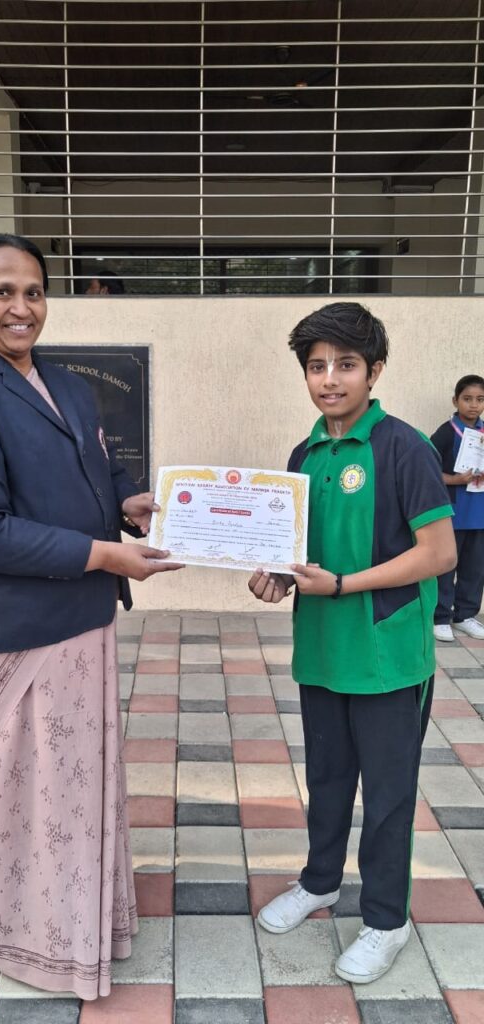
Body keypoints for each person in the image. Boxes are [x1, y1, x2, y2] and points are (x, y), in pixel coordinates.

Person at [0, 233, 182, 1000]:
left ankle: (82, 923)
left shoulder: (67, 385)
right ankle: (23, 935)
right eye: (1, 291)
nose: (21, 307)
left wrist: (126, 502)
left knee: (76, 790)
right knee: (21, 794)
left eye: (33, 291)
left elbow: (98, 471)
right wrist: (105, 555)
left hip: (80, 619)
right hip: (9, 629)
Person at [248, 302, 456, 985]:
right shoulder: (303, 455)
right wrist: (278, 576)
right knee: (328, 780)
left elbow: (439, 553)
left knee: (389, 795)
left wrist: (342, 585)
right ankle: (319, 882)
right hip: (322, 650)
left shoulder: (404, 448)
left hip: (388, 657)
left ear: (375, 371)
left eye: (345, 364)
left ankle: (387, 920)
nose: (329, 379)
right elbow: (301, 552)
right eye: (316, 366)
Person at [430, 374, 484, 641]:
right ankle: (440, 617)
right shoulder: (445, 433)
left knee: (475, 568)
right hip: (453, 512)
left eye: (480, 399)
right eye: (467, 399)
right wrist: (454, 480)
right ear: (455, 401)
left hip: (479, 513)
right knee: (445, 566)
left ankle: (464, 615)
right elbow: (427, 470)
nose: (474, 405)